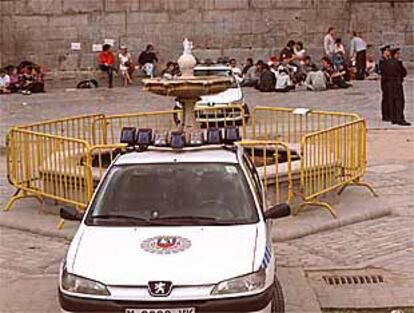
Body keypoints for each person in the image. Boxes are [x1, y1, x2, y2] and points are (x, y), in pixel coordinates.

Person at [380, 47, 410, 126]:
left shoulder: (385, 62)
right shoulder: (397, 62)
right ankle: (399, 118)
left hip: (388, 84)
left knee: (391, 101)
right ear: (395, 54)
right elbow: (404, 72)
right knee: (399, 101)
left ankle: (393, 118)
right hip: (396, 84)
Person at [379, 44, 391, 121]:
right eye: (387, 51)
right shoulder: (382, 60)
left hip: (389, 81)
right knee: (386, 98)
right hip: (385, 81)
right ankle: (385, 115)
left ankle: (389, 114)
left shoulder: (388, 59)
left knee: (389, 97)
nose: (388, 52)